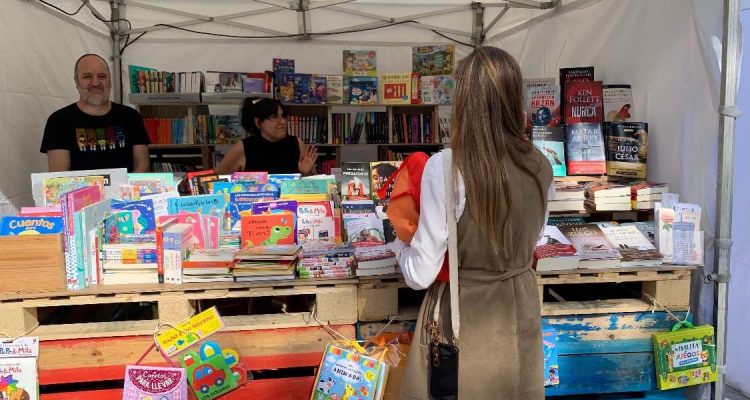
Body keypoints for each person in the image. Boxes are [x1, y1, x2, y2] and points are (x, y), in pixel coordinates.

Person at [390, 47, 554, 399]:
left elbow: (420, 274)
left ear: (463, 100)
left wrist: (398, 245)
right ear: (514, 97)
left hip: (467, 314)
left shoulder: (447, 166)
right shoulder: (541, 163)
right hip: (521, 305)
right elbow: (536, 236)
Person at [40, 54, 150, 172]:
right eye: (87, 76)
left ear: (110, 82)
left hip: (126, 190)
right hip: (80, 191)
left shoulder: (131, 117)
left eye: (102, 76)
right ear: (77, 82)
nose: (95, 83)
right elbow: (59, 173)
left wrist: (127, 190)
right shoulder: (58, 121)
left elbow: (142, 166)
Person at [214, 98, 318, 175]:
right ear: (258, 122)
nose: (282, 122)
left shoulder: (296, 143)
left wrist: (307, 173)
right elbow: (216, 178)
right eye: (274, 117)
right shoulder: (244, 147)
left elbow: (314, 182)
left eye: (283, 116)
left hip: (291, 202)